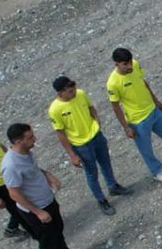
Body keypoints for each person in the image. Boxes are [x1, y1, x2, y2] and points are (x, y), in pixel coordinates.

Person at [0, 123, 88, 249]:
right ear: (18, 141)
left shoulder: (26, 152)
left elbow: (32, 169)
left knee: (58, 229)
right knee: (47, 241)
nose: (35, 139)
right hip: (36, 209)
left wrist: (47, 174)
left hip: (48, 200)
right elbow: (14, 193)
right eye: (30, 137)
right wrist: (37, 212)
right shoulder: (11, 165)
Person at [106, 48, 162, 182]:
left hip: (152, 110)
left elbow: (143, 83)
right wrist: (126, 127)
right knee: (146, 149)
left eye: (130, 62)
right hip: (137, 120)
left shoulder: (135, 65)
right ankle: (157, 171)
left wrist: (155, 100)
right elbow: (116, 107)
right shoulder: (113, 83)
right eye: (125, 64)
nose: (130, 66)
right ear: (117, 64)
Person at [48, 76, 132, 215]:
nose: (73, 92)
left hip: (96, 136)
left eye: (73, 89)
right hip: (81, 145)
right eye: (69, 91)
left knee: (105, 163)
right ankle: (101, 200)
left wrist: (97, 122)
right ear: (60, 93)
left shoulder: (80, 94)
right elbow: (61, 133)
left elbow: (91, 108)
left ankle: (113, 186)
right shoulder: (55, 110)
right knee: (91, 173)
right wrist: (72, 154)